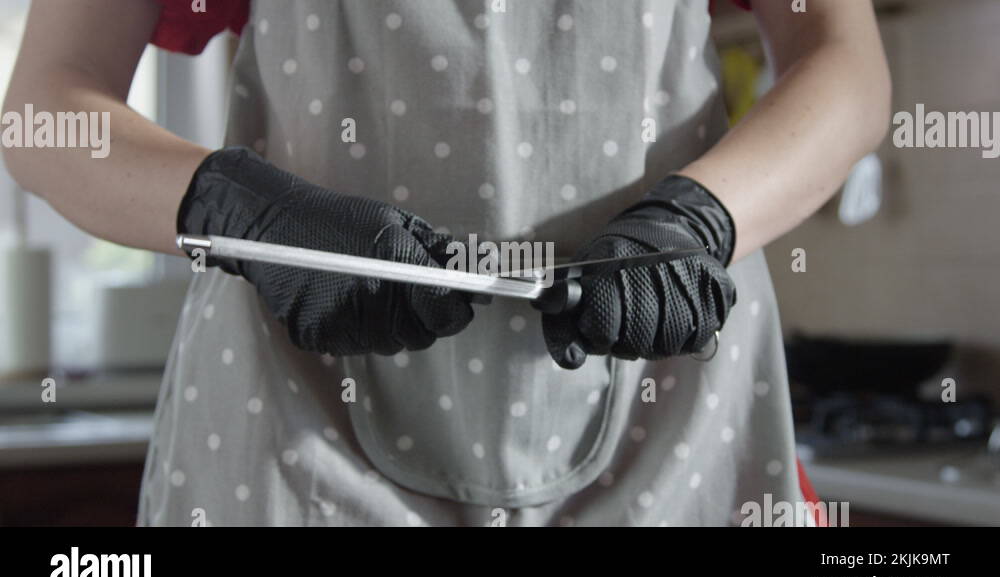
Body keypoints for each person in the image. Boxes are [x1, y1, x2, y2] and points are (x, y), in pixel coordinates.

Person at [2, 0, 890, 526]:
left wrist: (703, 219)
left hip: (669, 418)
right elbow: (45, 105)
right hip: (289, 416)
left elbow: (843, 62)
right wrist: (240, 211)